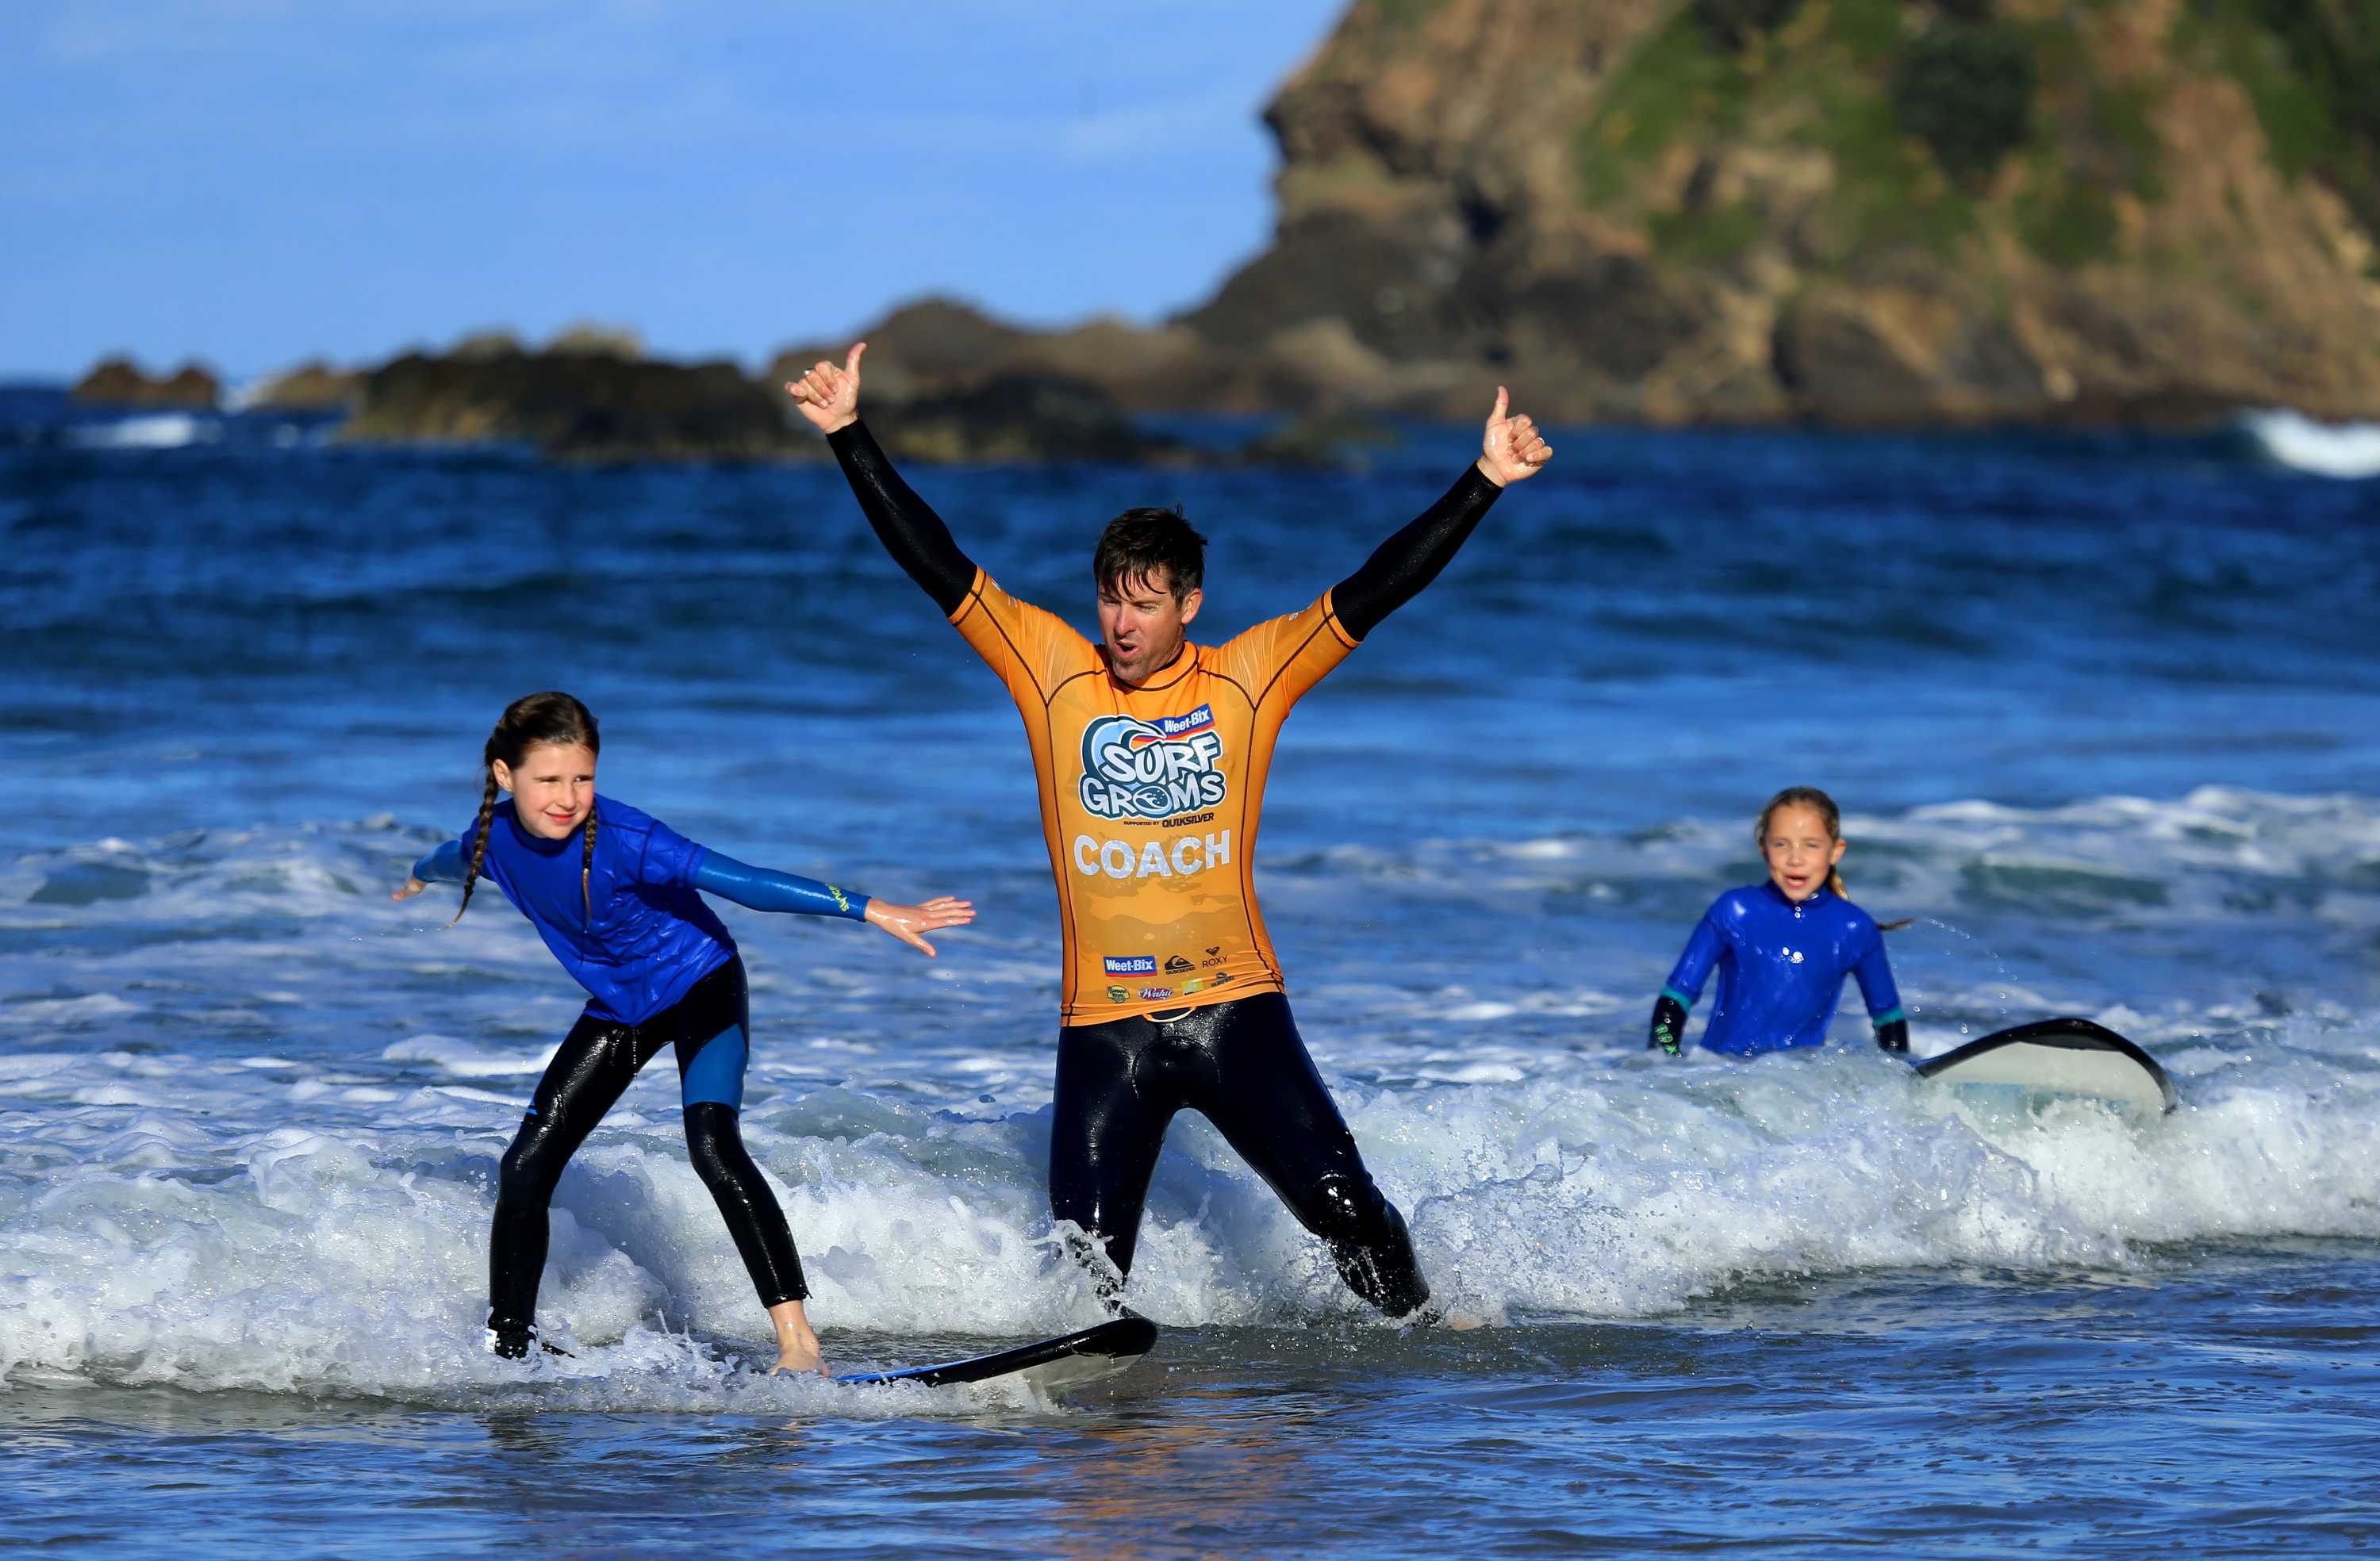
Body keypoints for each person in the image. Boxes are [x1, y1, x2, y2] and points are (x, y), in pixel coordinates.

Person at [785, 343, 1552, 1321]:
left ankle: (1425, 1328)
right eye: (1111, 599)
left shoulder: (1248, 677)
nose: (1122, 624)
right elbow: (936, 561)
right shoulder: (1052, 670)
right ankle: (1103, 1431)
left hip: (1236, 1011)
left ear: (1190, 604)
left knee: (1348, 1209)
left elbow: (1377, 586)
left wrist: (1483, 480)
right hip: (1106, 1029)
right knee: (1085, 1277)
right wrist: (850, 435)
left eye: (1146, 605)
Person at [393, 691, 973, 1372]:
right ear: (503, 775)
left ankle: (799, 1344)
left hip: (702, 984)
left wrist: (871, 909)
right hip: (621, 1010)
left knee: (711, 1146)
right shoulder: (492, 840)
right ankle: (509, 1345)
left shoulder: (629, 840)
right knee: (525, 1166)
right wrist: (417, 877)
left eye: (582, 778)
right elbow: (452, 855)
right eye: (548, 779)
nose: (567, 797)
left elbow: (748, 883)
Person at [1649, 785, 1910, 1058]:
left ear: (1835, 851)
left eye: (1811, 845)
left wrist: (1899, 1080)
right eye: (1781, 844)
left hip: (1797, 1083)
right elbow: (1675, 1000)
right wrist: (1666, 1066)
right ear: (1764, 849)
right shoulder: (1735, 911)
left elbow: (1889, 1021)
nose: (1795, 859)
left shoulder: (1855, 928)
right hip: (1721, 1073)